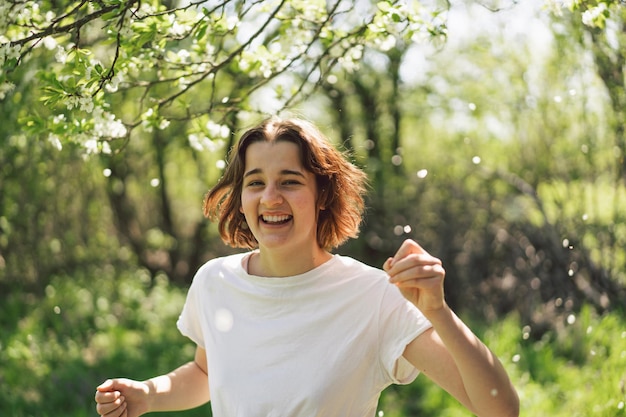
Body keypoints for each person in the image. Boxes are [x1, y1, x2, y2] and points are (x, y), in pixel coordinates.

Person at [95, 117, 519, 417]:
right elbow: (207, 372)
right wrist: (149, 394)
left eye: (290, 181)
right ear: (241, 197)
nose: (270, 197)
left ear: (321, 194)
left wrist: (438, 313)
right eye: (256, 182)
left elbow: (500, 409)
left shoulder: (372, 296)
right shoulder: (215, 282)